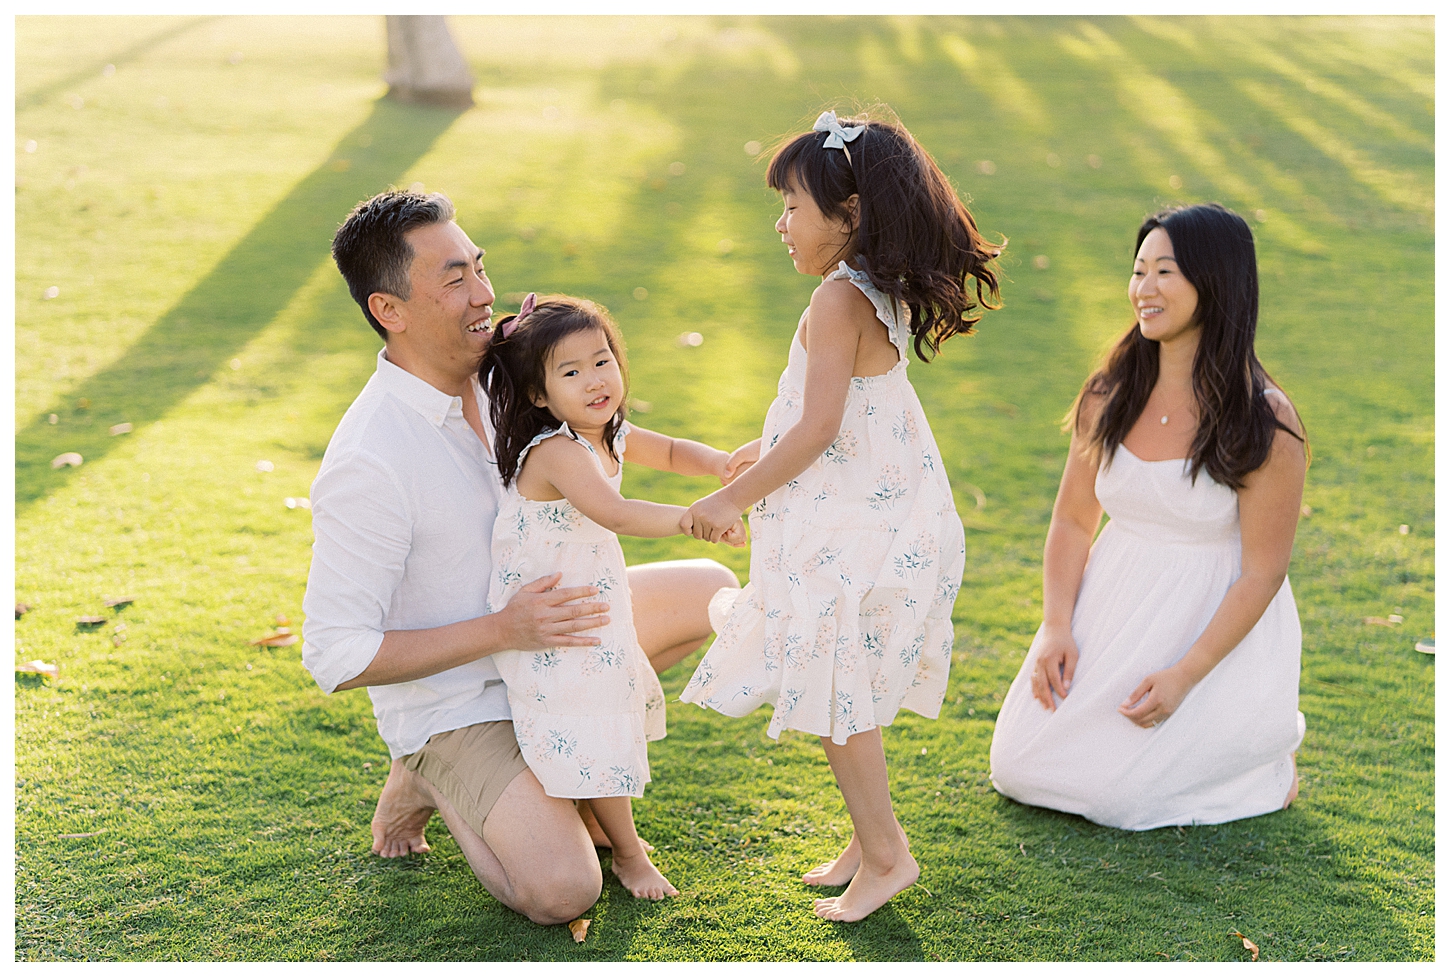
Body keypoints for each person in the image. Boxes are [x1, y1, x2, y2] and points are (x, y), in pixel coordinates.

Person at [301, 189, 738, 925]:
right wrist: (503, 630)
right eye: (453, 280)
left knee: (711, 590)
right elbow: (334, 654)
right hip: (463, 693)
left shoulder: (504, 371)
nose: (483, 294)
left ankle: (552, 757)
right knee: (565, 888)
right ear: (390, 310)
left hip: (550, 639)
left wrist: (725, 466)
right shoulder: (368, 459)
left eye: (479, 267)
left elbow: (617, 433)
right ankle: (424, 768)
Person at [678, 107, 1003, 921]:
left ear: (850, 214)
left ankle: (888, 855)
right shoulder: (870, 292)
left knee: (835, 697)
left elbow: (823, 426)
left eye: (793, 206)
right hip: (881, 518)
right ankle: (869, 839)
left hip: (852, 532)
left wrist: (730, 498)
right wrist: (762, 450)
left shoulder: (836, 300)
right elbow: (837, 413)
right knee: (844, 691)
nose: (781, 224)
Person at [988, 203, 1307, 831]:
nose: (1145, 289)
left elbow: (1263, 573)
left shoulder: (1265, 420)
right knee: (1018, 769)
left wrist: (1186, 675)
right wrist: (1056, 627)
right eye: (1139, 271)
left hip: (1208, 629)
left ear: (1214, 285)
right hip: (1109, 606)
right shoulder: (1109, 391)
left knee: (1122, 803)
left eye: (1166, 272)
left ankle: (1257, 763)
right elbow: (1073, 522)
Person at [479, 293, 745, 900]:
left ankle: (597, 818)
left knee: (609, 709)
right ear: (539, 396)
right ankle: (627, 853)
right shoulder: (556, 451)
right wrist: (695, 519)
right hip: (553, 622)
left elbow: (673, 452)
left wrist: (723, 467)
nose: (595, 380)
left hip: (589, 607)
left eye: (602, 361)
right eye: (570, 373)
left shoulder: (606, 432)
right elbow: (615, 512)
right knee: (597, 724)